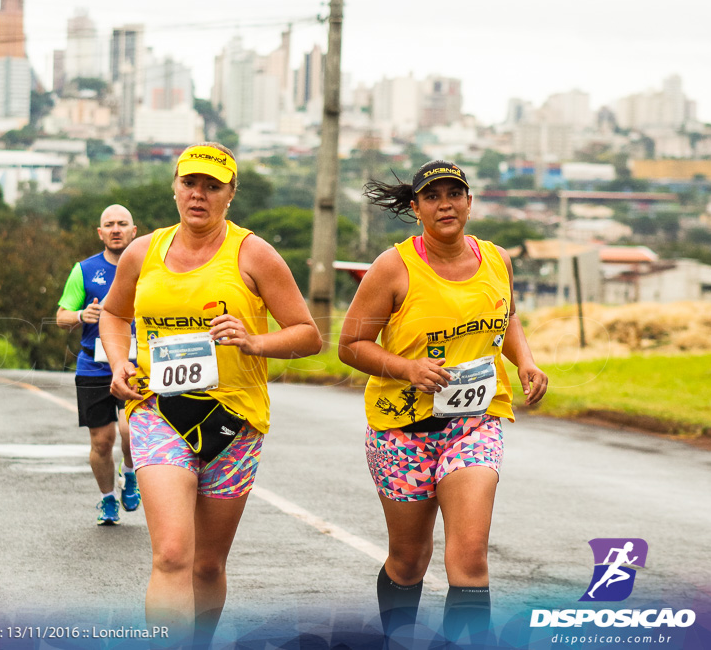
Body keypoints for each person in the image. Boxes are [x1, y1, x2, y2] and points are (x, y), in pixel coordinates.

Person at [100, 143, 322, 645]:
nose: (198, 194)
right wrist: (119, 364)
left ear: (230, 193)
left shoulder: (253, 253)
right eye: (189, 183)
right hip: (159, 412)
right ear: (175, 186)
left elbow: (308, 334)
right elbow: (114, 314)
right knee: (173, 553)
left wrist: (254, 340)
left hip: (234, 422)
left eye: (212, 186)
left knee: (206, 565)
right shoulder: (143, 251)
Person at [337, 160, 549, 646]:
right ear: (416, 208)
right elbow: (351, 346)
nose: (446, 204)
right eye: (433, 196)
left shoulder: (497, 260)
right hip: (402, 430)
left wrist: (526, 362)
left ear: (470, 202)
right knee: (409, 561)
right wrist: (408, 368)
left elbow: (508, 317)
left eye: (455, 194)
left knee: (470, 556)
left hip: (475, 424)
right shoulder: (393, 267)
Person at [56, 205, 140, 525]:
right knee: (102, 441)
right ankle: (107, 499)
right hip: (94, 365)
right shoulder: (85, 270)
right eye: (109, 224)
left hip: (136, 364)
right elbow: (62, 315)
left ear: (134, 231)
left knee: (130, 432)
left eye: (122, 224)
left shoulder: (149, 267)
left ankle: (130, 473)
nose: (116, 229)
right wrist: (81, 315)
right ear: (100, 232)